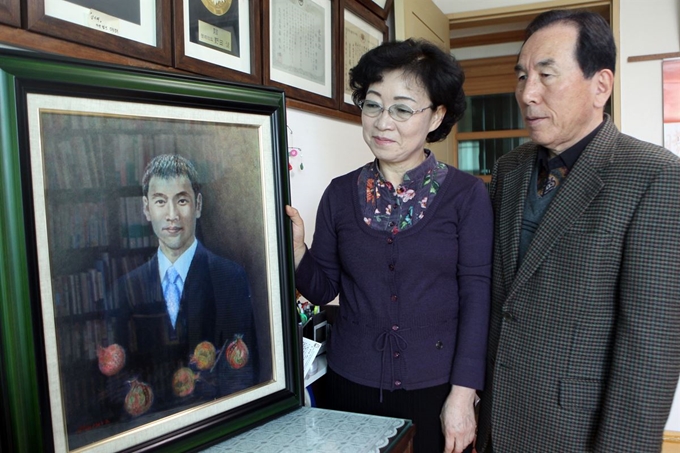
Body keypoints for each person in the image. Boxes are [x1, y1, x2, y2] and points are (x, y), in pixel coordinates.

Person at [475, 9, 680, 453]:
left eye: (546, 75)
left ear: (600, 85)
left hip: (575, 431)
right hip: (495, 418)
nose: (528, 94)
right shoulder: (509, 169)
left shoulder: (654, 175)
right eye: (523, 76)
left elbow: (651, 346)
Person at [286, 38, 493, 453]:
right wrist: (297, 252)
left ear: (435, 116)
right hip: (350, 383)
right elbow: (324, 289)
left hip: (436, 388)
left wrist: (463, 394)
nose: (383, 122)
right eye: (373, 104)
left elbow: (477, 295)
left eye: (401, 108)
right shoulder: (341, 193)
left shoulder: (466, 196)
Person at [100, 154, 259, 422]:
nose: (172, 215)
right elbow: (115, 381)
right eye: (161, 201)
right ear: (146, 208)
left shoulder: (230, 277)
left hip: (216, 422)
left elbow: (242, 369)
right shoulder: (123, 290)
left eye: (182, 200)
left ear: (197, 205)